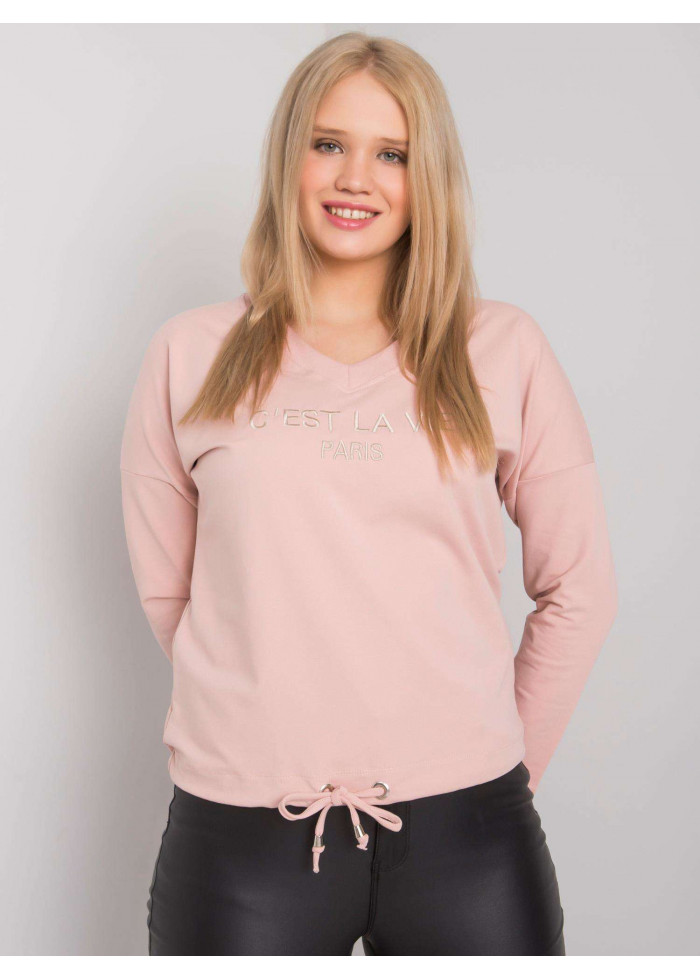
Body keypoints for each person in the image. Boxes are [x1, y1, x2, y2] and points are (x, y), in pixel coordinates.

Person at [119, 32, 617, 956]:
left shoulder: (503, 349)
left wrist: (492, 768)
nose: (356, 178)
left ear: (428, 177)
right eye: (329, 143)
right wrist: (266, 719)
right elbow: (174, 597)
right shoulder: (189, 354)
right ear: (289, 156)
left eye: (392, 153)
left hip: (469, 832)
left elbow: (579, 588)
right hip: (243, 833)